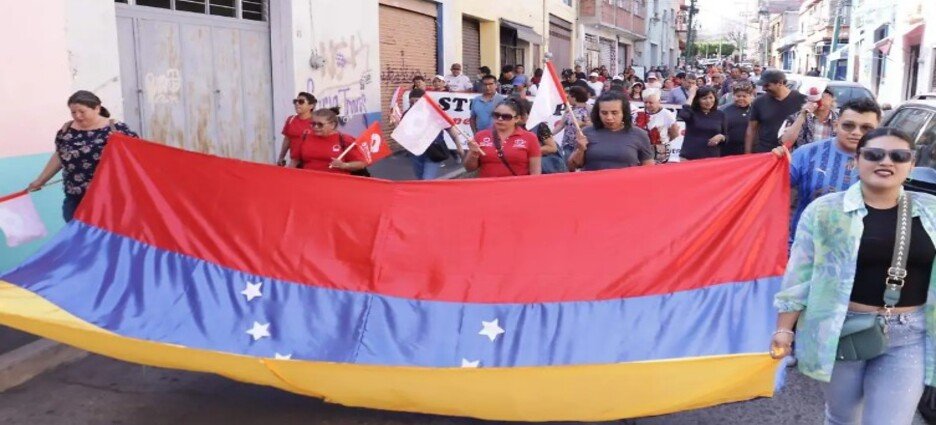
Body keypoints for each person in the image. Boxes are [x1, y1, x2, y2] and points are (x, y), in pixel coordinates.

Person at [771, 127, 936, 425]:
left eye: (898, 156)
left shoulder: (931, 211)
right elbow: (800, 275)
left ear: (911, 164)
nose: (886, 161)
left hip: (910, 336)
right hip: (839, 330)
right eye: (874, 154)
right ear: (856, 160)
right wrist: (784, 330)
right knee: (842, 418)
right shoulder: (824, 211)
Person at [773, 98, 883, 246]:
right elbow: (771, 190)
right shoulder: (808, 153)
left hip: (861, 253)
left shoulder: (887, 162)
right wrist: (774, 165)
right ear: (836, 125)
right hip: (806, 249)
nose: (857, 132)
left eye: (866, 128)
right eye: (848, 126)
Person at [28, 91, 139, 222]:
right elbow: (60, 155)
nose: (78, 116)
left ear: (97, 108)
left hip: (109, 196)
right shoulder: (66, 131)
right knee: (77, 235)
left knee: (104, 238)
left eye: (82, 111)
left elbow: (135, 157)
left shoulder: (116, 129)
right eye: (73, 112)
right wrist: (41, 180)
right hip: (75, 196)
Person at [567, 91, 654, 171]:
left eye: (614, 113)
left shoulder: (639, 134)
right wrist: (580, 149)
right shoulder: (586, 132)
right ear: (598, 113)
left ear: (624, 112)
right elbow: (572, 166)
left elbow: (649, 169)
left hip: (626, 186)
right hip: (592, 186)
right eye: (604, 113)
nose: (609, 117)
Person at [464, 99, 541, 177]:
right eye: (496, 115)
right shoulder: (480, 136)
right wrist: (473, 153)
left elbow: (535, 173)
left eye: (506, 117)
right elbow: (469, 168)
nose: (500, 119)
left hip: (517, 187)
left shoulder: (530, 138)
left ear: (517, 119)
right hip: (487, 187)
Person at [288, 107, 367, 174]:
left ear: (332, 125)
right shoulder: (304, 137)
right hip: (309, 181)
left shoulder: (345, 140)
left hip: (336, 183)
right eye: (313, 124)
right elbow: (294, 161)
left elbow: (361, 163)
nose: (315, 127)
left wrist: (344, 165)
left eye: (320, 124)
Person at [404, 89, 462, 180]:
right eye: (412, 102)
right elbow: (403, 132)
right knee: (420, 179)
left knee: (427, 179)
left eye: (417, 101)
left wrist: (459, 146)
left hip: (434, 151)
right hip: (416, 151)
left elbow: (451, 130)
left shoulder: (435, 113)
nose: (415, 104)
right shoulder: (407, 114)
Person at [745, 69, 807, 153]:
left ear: (780, 83)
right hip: (766, 152)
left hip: (793, 152)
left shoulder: (802, 100)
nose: (763, 89)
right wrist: (747, 154)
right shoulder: (759, 102)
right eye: (763, 86)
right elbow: (751, 129)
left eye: (767, 85)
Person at [678, 85, 726, 160]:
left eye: (711, 97)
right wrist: (692, 95)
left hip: (712, 158)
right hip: (690, 157)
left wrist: (721, 137)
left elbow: (726, 135)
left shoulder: (720, 114)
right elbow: (683, 115)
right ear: (697, 100)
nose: (708, 101)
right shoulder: (692, 113)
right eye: (704, 98)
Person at [633, 88, 681, 163]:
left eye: (651, 102)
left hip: (660, 148)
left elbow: (675, 133)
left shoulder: (667, 114)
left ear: (659, 102)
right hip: (641, 148)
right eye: (645, 102)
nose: (647, 105)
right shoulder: (637, 113)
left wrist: (663, 140)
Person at [277, 92, 317, 166]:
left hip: (312, 162)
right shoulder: (291, 119)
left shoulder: (317, 121)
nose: (297, 104)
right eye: (295, 101)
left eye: (301, 102)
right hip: (294, 162)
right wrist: (281, 157)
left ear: (311, 106)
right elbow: (287, 140)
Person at [553, 86, 592, 157]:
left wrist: (584, 123)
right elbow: (561, 125)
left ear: (574, 97)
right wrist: (550, 134)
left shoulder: (589, 109)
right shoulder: (569, 110)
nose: (567, 99)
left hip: (583, 144)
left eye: (569, 97)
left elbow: (594, 125)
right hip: (568, 144)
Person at [720, 82, 754, 156]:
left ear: (751, 96)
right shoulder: (723, 110)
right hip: (727, 150)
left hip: (750, 150)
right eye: (738, 96)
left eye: (744, 96)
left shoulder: (756, 110)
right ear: (733, 96)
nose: (741, 98)